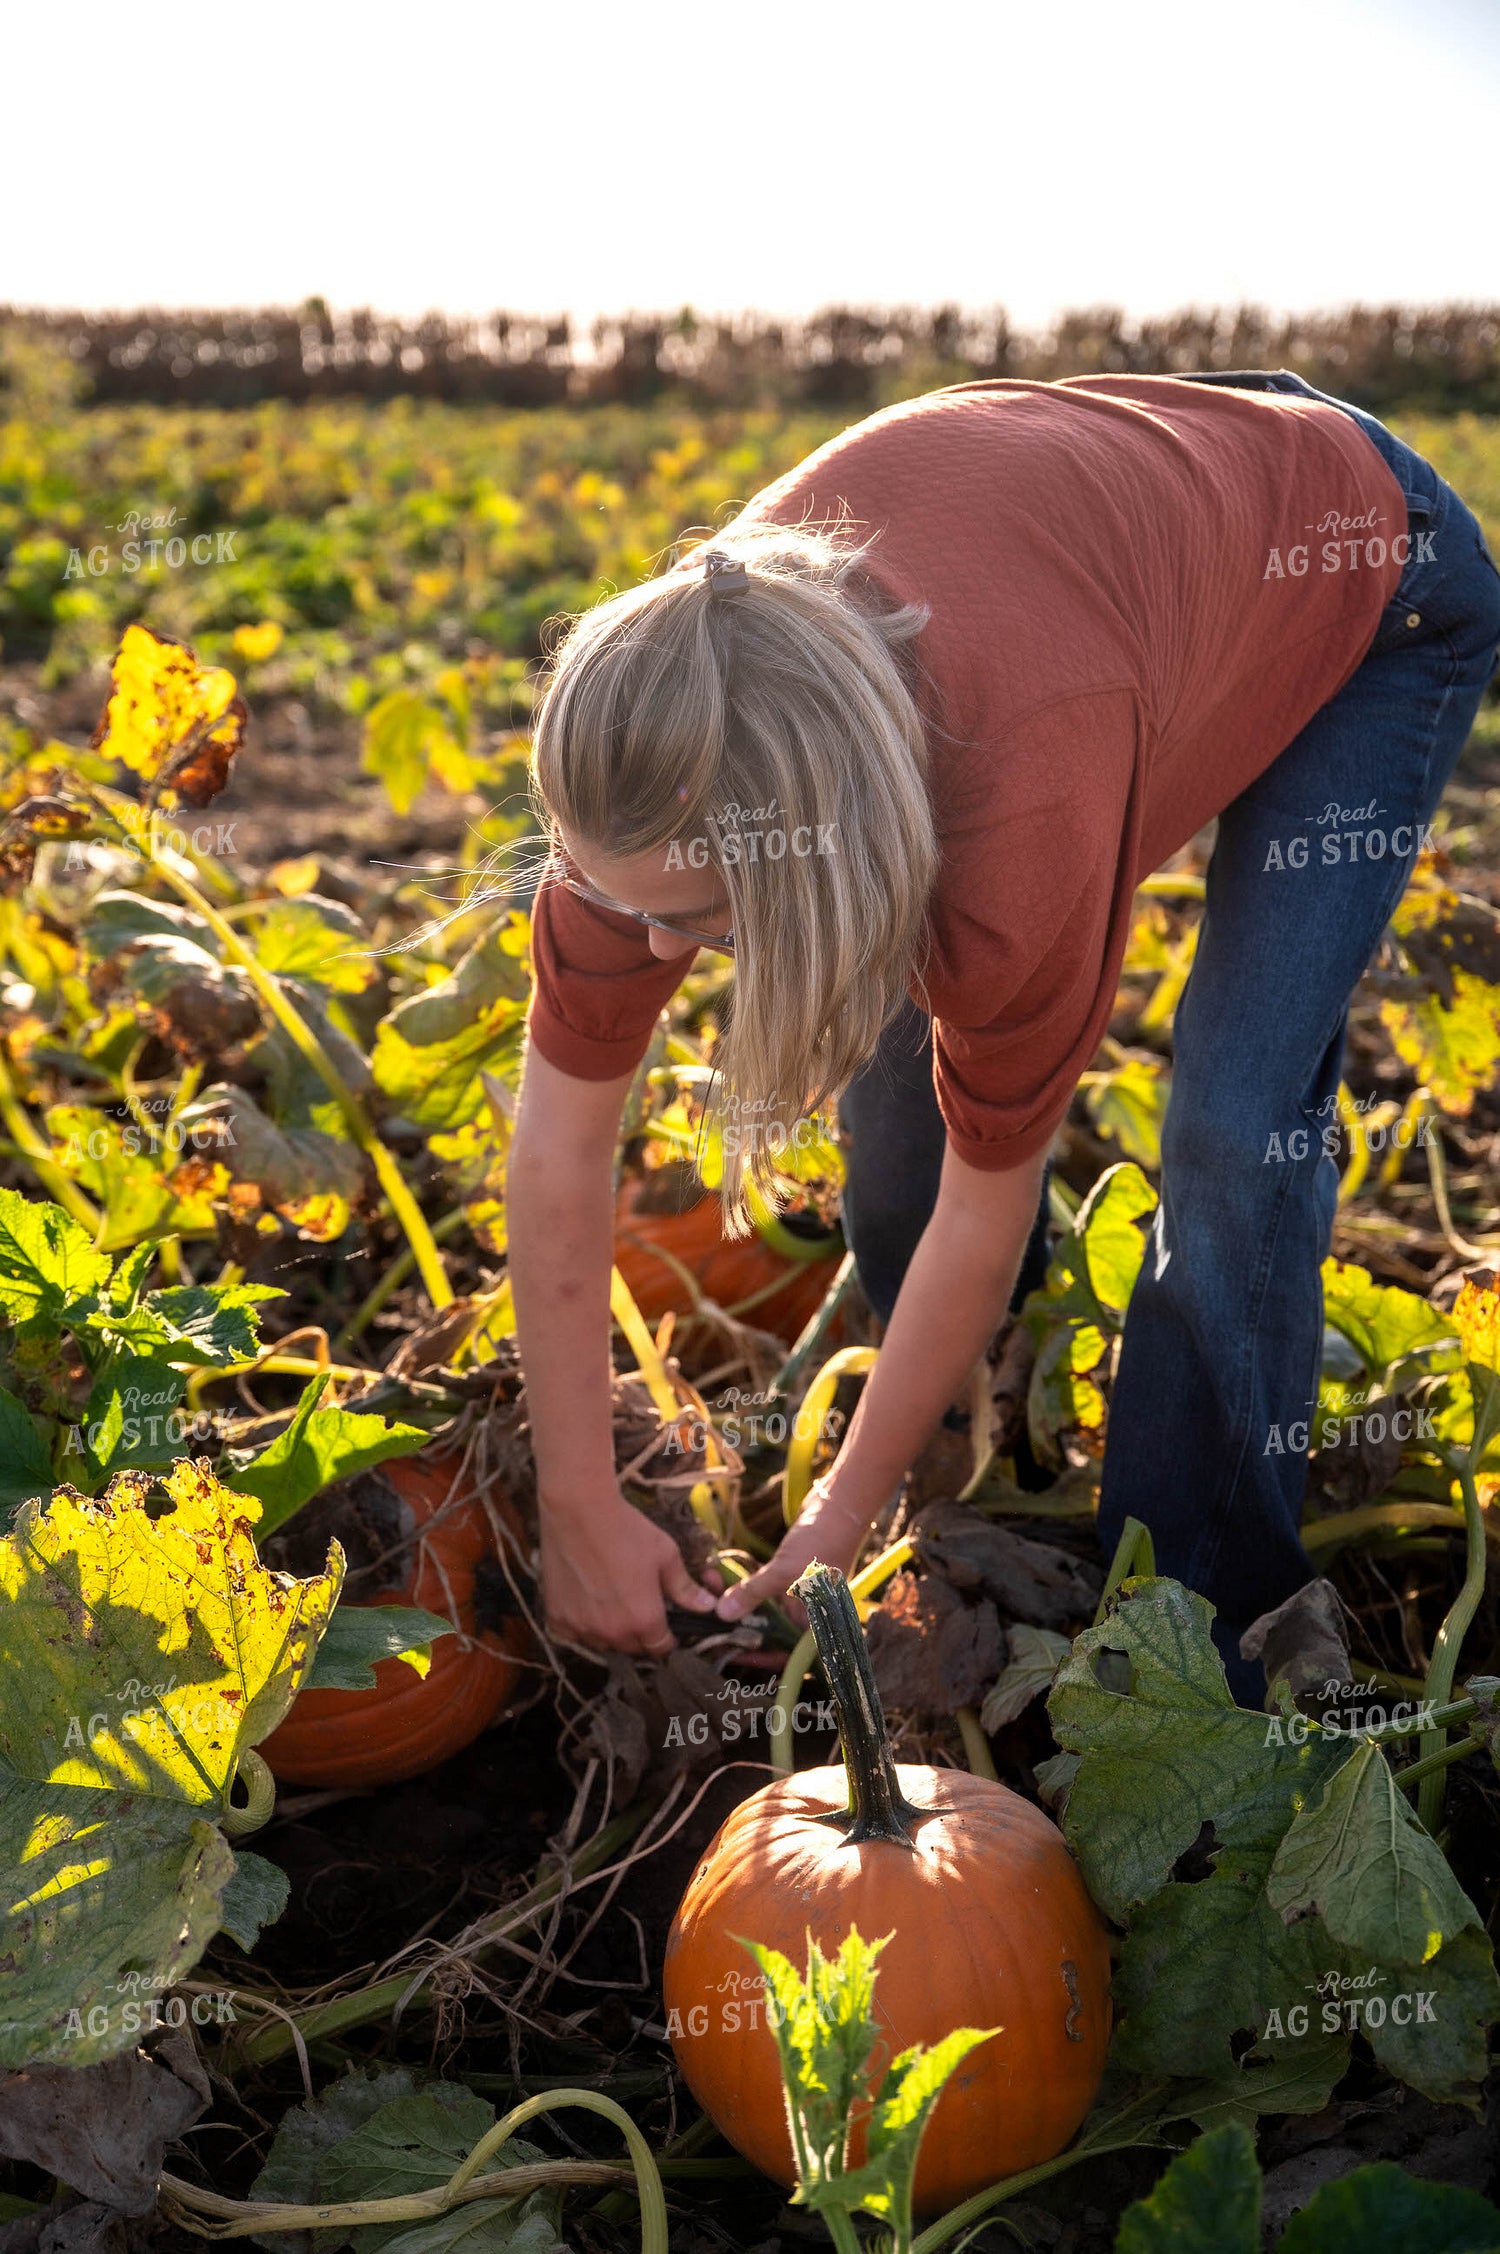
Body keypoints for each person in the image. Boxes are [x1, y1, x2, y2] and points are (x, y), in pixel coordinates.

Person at [504, 369, 1500, 1698]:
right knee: (903, 1121)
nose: (656, 947)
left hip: (1369, 573)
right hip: (1156, 521)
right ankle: (992, 1377)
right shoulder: (662, 751)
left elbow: (989, 1202)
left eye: (693, 915)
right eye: (615, 896)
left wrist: (833, 1530)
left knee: (1234, 1115)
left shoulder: (1018, 808)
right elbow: (557, 1149)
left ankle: (1215, 1614)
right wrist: (575, 1502)